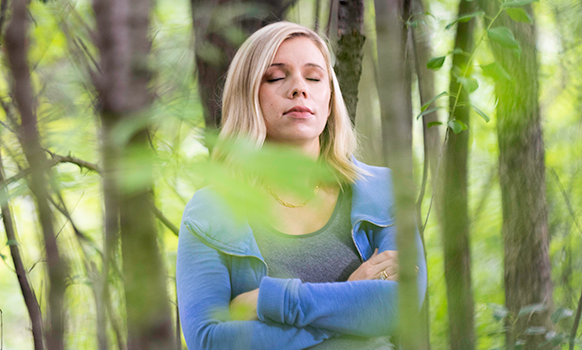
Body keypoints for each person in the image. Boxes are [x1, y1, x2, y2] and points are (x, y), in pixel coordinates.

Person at [175, 21, 427, 349]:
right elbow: (210, 340)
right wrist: (351, 306)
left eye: (313, 77)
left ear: (329, 98)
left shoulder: (381, 191)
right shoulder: (210, 212)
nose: (299, 88)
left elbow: (400, 305)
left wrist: (270, 300)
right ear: (248, 93)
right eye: (277, 76)